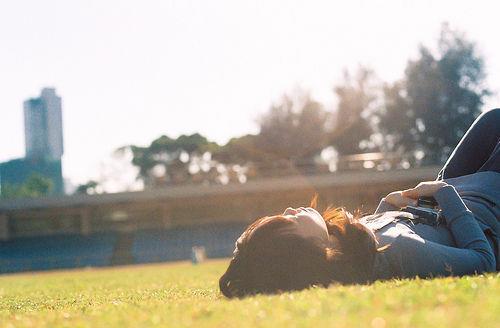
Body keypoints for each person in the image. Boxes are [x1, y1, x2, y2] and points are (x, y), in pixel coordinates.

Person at [219, 108, 500, 298]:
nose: (290, 210)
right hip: (489, 205)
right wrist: (444, 192)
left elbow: (395, 234)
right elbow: (483, 261)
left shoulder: (351, 247)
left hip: (464, 191)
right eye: (289, 221)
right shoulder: (397, 253)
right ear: (302, 250)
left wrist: (387, 207)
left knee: (493, 119)